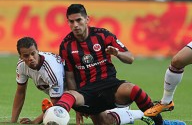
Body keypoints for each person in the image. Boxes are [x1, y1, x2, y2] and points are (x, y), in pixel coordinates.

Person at [42, 4, 186, 125]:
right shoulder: (66, 45)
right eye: (71, 22)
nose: (75, 25)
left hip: (111, 86)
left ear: (87, 19)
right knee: (77, 101)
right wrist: (77, 108)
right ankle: (56, 117)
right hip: (86, 92)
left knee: (133, 89)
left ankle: (160, 123)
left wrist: (117, 53)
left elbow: (130, 58)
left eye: (78, 20)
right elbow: (70, 77)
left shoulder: (103, 35)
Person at [10, 37, 158, 125]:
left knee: (104, 120)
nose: (30, 58)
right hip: (70, 95)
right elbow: (20, 92)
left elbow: (57, 105)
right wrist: (13, 121)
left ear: (38, 50)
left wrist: (35, 122)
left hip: (82, 88)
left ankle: (141, 113)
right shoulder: (21, 66)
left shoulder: (51, 70)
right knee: (103, 122)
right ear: (20, 56)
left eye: (33, 54)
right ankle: (137, 113)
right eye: (25, 56)